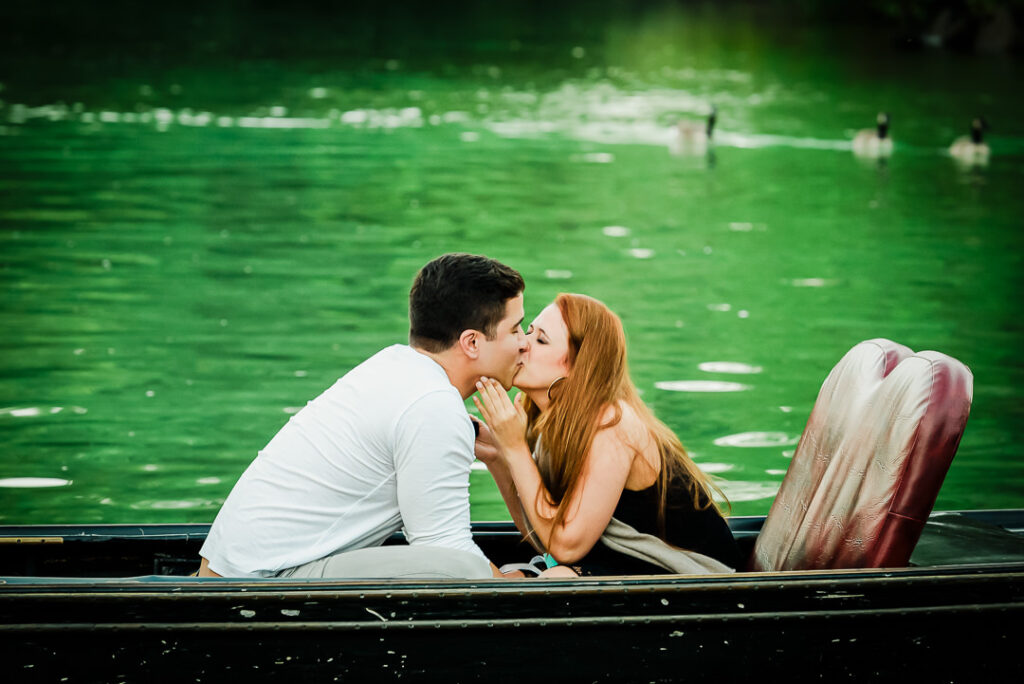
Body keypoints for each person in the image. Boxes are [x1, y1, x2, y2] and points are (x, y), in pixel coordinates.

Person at [197, 253, 529, 579]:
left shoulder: (396, 367)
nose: (525, 343)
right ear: (471, 342)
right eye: (515, 330)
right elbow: (444, 549)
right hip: (261, 580)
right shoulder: (433, 405)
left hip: (235, 568)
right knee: (463, 567)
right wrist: (517, 584)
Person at [473, 293, 740, 577]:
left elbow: (565, 548)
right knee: (514, 574)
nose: (523, 343)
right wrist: (499, 457)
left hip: (702, 579)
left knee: (556, 578)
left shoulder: (612, 424)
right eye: (528, 332)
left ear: (579, 367)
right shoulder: (550, 421)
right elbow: (542, 536)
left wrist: (516, 450)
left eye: (541, 340)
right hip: (630, 565)